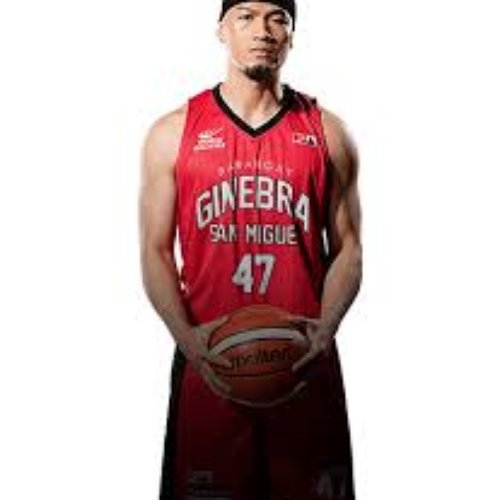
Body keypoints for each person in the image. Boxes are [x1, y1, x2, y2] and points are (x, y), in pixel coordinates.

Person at [139, 1, 363, 498]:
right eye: (245, 16)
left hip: (304, 365)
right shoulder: (173, 133)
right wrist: (187, 339)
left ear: (291, 35)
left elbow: (349, 246)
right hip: (211, 366)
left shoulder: (328, 133)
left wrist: (326, 329)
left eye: (278, 18)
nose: (263, 30)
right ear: (221, 30)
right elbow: (155, 250)